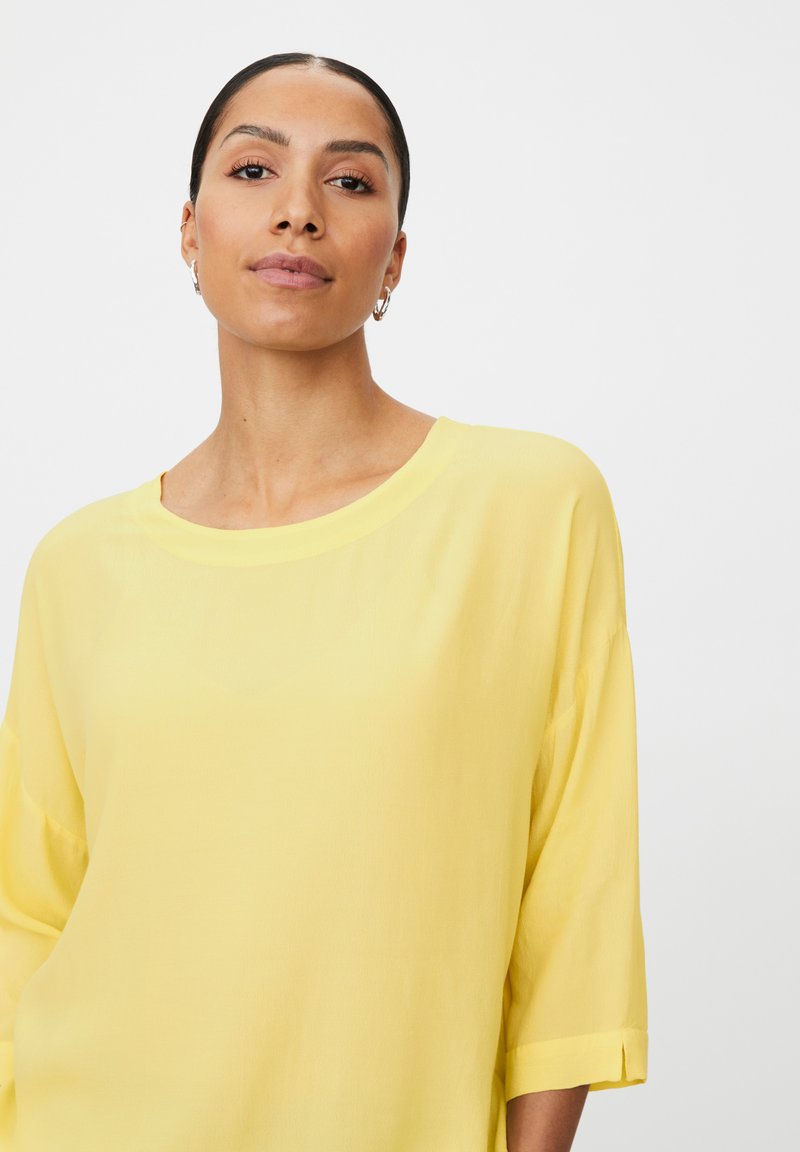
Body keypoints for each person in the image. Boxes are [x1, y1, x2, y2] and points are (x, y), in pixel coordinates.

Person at [0, 53, 648, 1152]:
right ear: (190, 232)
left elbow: (575, 896)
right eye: (254, 170)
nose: (297, 210)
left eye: (348, 182)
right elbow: (26, 914)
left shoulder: (531, 506)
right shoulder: (79, 565)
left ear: (394, 257)